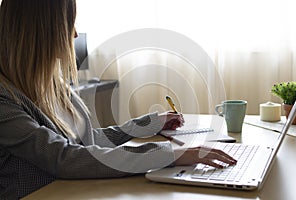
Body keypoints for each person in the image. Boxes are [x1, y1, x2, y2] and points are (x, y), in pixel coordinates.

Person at [0, 0, 237, 199]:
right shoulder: (4, 99)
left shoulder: (52, 86)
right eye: (68, 23)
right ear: (41, 31)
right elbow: (64, 157)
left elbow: (88, 141)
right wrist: (170, 155)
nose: (74, 34)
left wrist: (150, 123)